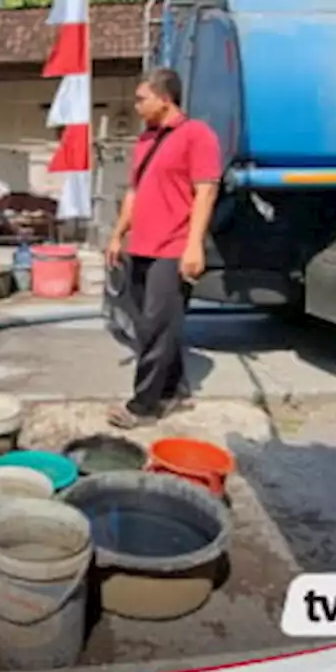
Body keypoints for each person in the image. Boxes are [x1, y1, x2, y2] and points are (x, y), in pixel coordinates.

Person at [104, 68, 221, 430]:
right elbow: (134, 193)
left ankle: (143, 406)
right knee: (150, 326)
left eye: (142, 99)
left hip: (174, 247)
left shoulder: (196, 135)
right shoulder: (146, 140)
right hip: (142, 245)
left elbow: (206, 190)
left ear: (165, 98)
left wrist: (194, 246)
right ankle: (173, 392)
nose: (137, 105)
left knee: (156, 325)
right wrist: (117, 234)